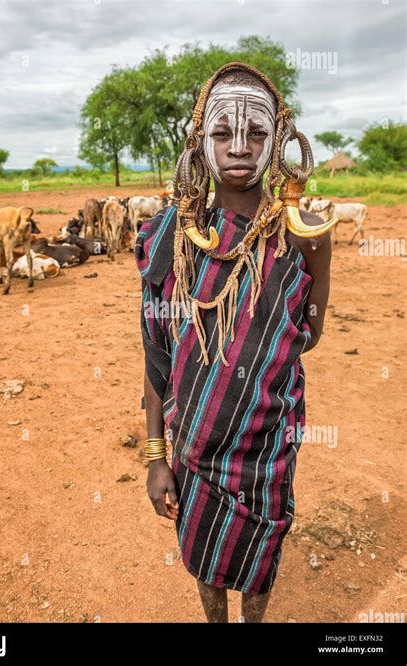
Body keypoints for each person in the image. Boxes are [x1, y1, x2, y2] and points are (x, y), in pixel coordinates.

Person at [135, 62, 333, 623]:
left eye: (257, 134)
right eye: (223, 133)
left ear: (281, 142)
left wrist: (257, 335)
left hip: (267, 445)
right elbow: (157, 359)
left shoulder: (306, 234)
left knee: (261, 553)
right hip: (193, 446)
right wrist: (156, 457)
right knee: (203, 551)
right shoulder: (167, 237)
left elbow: (308, 335)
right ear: (200, 143)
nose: (240, 147)